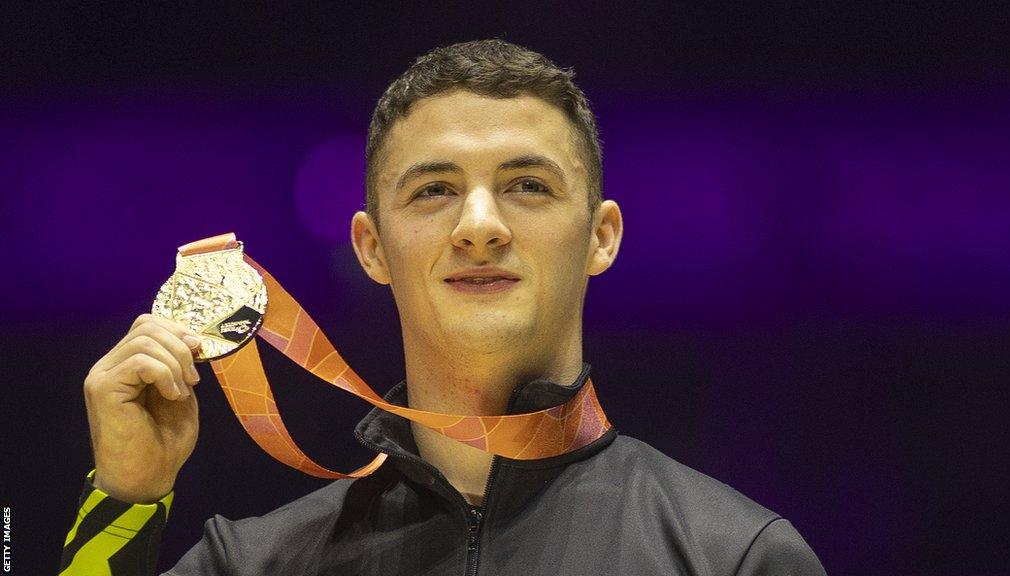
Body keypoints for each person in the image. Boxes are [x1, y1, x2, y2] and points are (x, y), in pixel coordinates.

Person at [60, 39, 826, 575]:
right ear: (371, 247)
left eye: (528, 185)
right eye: (434, 191)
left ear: (601, 237)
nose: (480, 225)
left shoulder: (734, 556)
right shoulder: (256, 563)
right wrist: (124, 499)